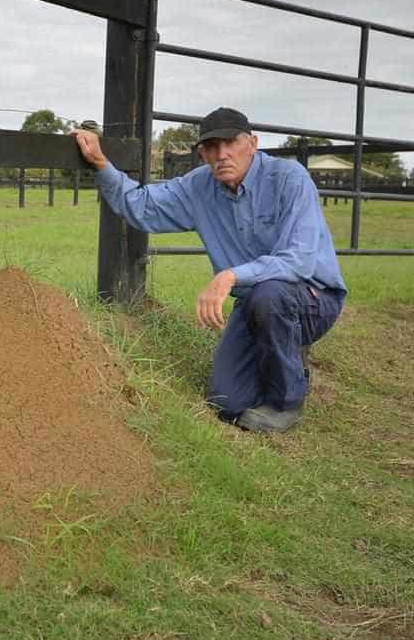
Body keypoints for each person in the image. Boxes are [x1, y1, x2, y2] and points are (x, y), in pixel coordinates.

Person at [71, 107, 346, 433]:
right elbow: (144, 207)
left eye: (231, 143)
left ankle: (285, 403)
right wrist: (102, 164)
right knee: (227, 402)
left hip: (312, 296)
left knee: (270, 296)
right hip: (255, 303)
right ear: (202, 153)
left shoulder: (289, 178)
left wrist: (230, 275)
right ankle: (284, 355)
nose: (222, 154)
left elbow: (298, 260)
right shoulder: (199, 187)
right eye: (212, 147)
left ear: (253, 143)